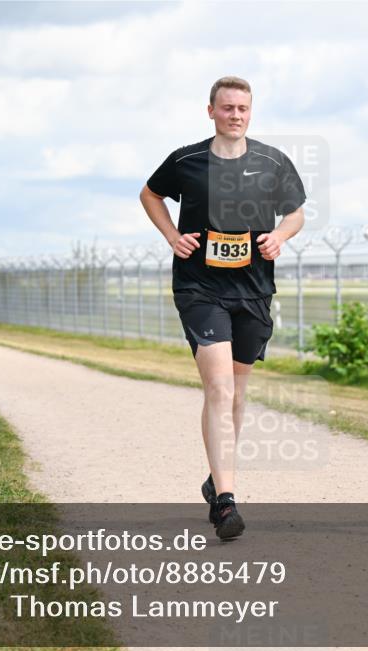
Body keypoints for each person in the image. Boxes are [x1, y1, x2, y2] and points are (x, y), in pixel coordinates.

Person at [140, 76, 307, 540]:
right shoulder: (186, 160)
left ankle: (218, 475)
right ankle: (226, 503)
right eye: (227, 107)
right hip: (200, 287)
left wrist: (281, 236)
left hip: (253, 290)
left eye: (243, 108)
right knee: (218, 387)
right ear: (210, 111)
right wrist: (172, 236)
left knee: (235, 392)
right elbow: (150, 193)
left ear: (251, 113)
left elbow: (295, 212)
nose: (235, 115)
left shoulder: (273, 162)